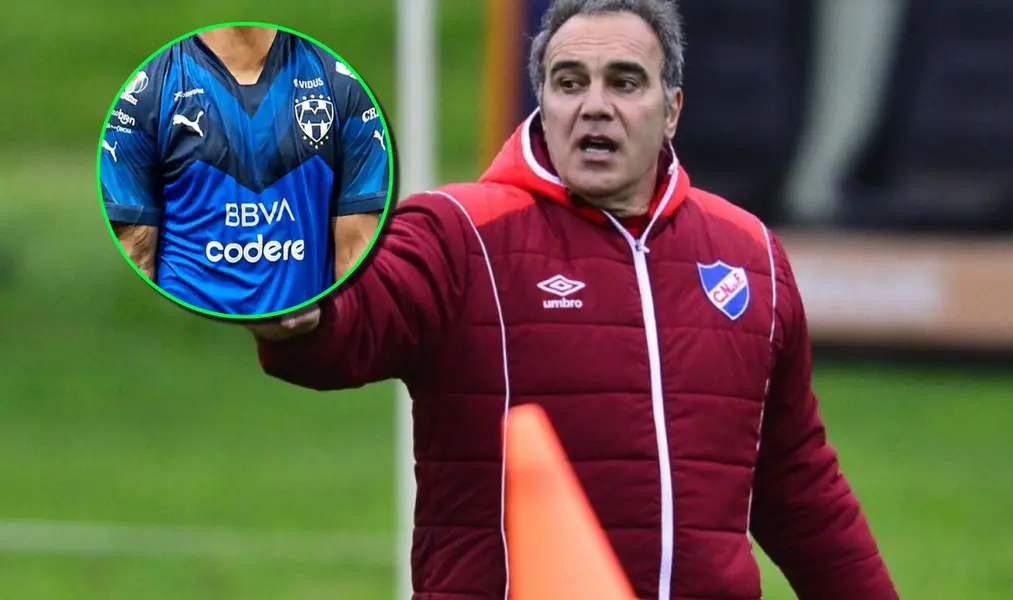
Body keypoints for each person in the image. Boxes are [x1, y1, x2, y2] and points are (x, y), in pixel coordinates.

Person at [253, 1, 899, 598]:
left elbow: (797, 481)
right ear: (543, 101)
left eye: (624, 82)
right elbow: (356, 320)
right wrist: (303, 315)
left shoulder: (750, 254)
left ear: (671, 108)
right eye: (569, 82)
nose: (594, 105)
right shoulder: (459, 233)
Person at [100, 25, 388, 317]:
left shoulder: (341, 85)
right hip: (191, 340)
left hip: (301, 347)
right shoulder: (148, 91)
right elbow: (135, 256)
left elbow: (357, 261)